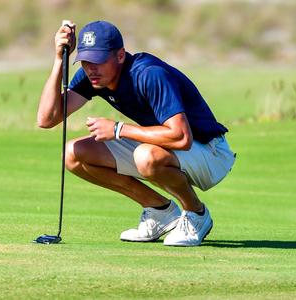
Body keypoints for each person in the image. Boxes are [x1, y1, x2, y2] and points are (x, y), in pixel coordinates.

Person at [37, 20, 236, 247]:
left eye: (99, 60)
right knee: (73, 154)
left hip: (209, 151)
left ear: (120, 55)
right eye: (85, 61)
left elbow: (181, 137)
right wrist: (58, 60)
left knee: (146, 157)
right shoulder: (91, 77)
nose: (91, 68)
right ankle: (159, 210)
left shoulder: (149, 74)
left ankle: (196, 214)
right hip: (169, 146)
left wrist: (118, 129)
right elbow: (47, 119)